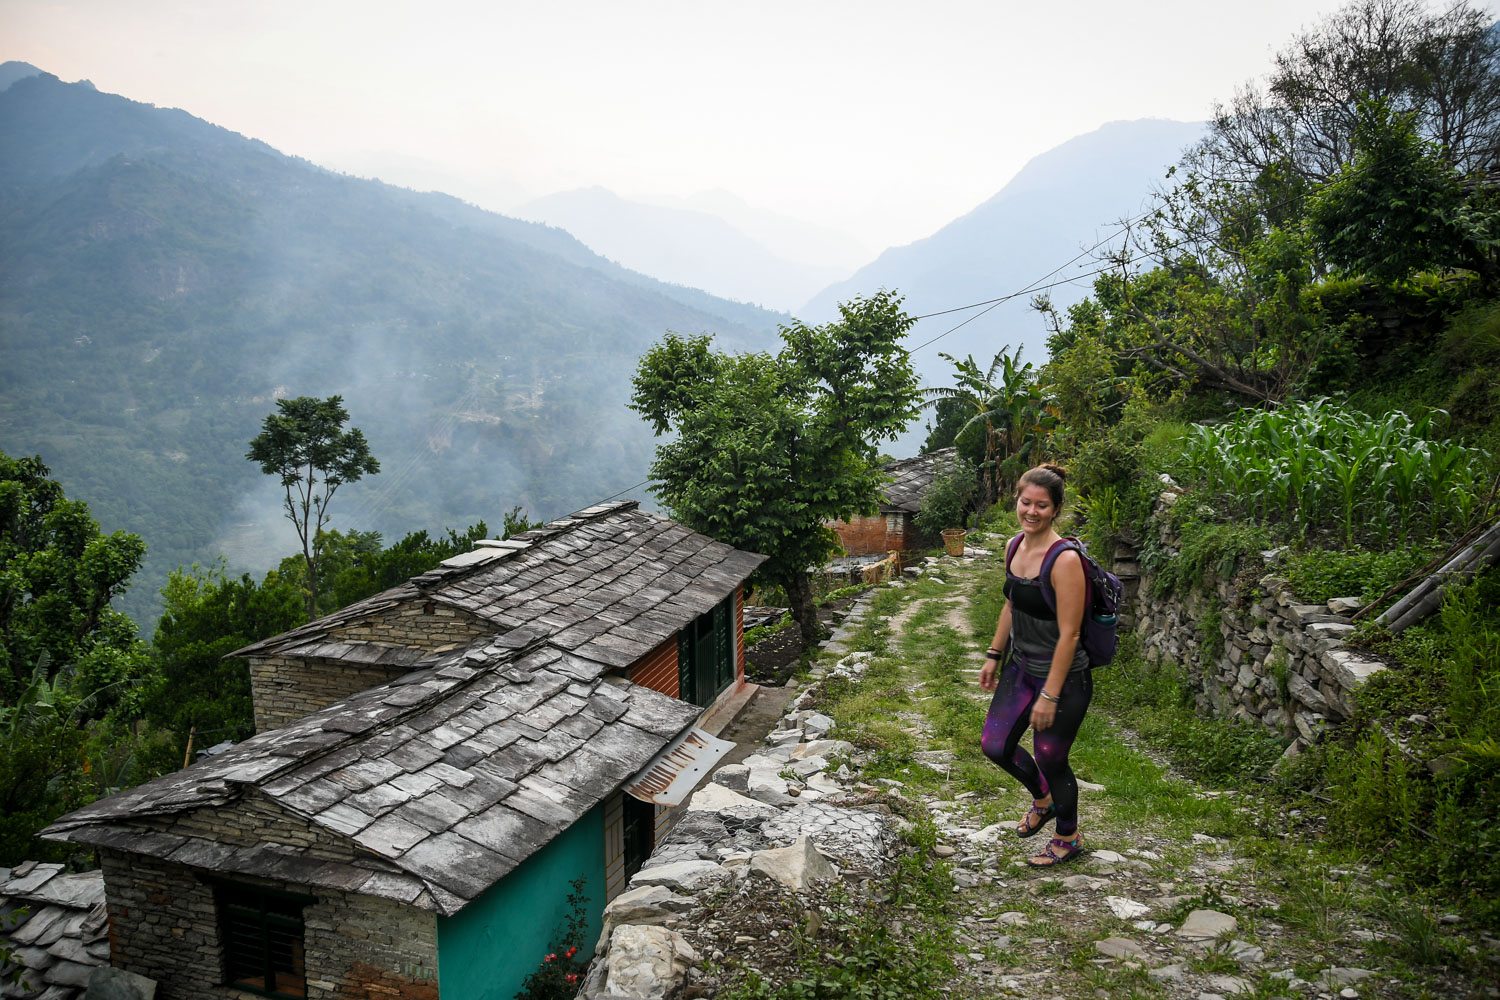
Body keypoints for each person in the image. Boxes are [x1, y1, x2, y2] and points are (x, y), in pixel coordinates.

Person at [978, 463, 1092, 867]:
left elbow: (1071, 634)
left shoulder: (1064, 561)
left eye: (1041, 505)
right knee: (995, 745)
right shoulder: (1014, 546)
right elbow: (1012, 602)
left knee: (1050, 757)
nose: (1031, 511)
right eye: (1025, 502)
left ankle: (1068, 835)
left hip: (1064, 676)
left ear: (1056, 509)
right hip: (1021, 666)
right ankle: (1043, 799)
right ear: (1017, 502)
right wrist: (994, 654)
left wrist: (1049, 694)